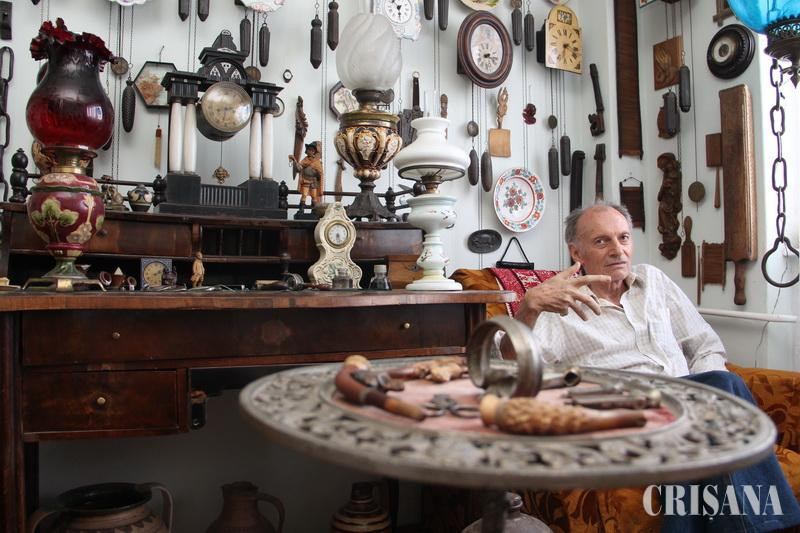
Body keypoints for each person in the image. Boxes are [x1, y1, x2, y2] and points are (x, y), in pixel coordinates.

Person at [511, 201, 800, 532]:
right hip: (624, 418)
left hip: (685, 410)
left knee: (717, 391)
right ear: (577, 252)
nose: (617, 250)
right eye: (602, 241)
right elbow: (512, 371)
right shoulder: (558, 307)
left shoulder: (654, 281)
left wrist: (698, 398)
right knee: (724, 390)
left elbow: (704, 345)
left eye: (623, 238)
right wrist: (528, 308)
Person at [288, 141, 323, 209]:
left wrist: (317, 173)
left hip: (313, 181)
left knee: (314, 196)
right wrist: (295, 162)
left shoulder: (317, 161)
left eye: (311, 150)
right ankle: (301, 210)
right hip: (306, 180)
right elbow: (299, 168)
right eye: (309, 149)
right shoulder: (305, 160)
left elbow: (320, 172)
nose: (309, 151)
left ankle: (314, 210)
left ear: (314, 152)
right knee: (304, 194)